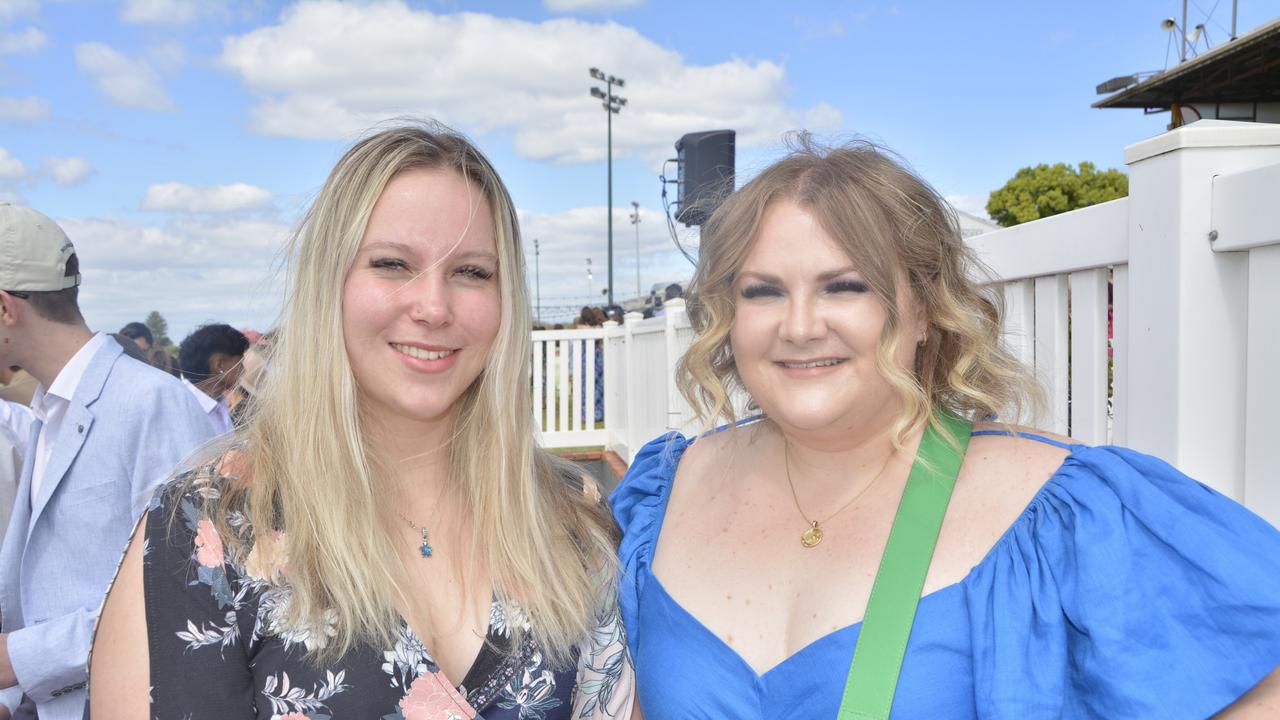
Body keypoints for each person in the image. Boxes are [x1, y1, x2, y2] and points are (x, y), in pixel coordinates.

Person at [611, 139, 1280, 718]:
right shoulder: (664, 489)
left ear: (927, 309)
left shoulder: (1067, 508)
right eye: (763, 291)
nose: (800, 325)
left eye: (846, 286)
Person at [89, 122, 634, 719]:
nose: (433, 307)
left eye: (472, 272)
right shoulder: (209, 525)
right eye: (393, 264)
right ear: (331, 285)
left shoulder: (570, 521)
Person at [0, 202, 215, 720]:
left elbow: (188, 595)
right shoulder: (46, 411)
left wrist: (16, 660)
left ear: (5, 308)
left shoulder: (152, 402)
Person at [177, 323, 249, 436]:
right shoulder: (182, 410)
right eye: (240, 363)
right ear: (220, 366)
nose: (244, 370)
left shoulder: (219, 401)